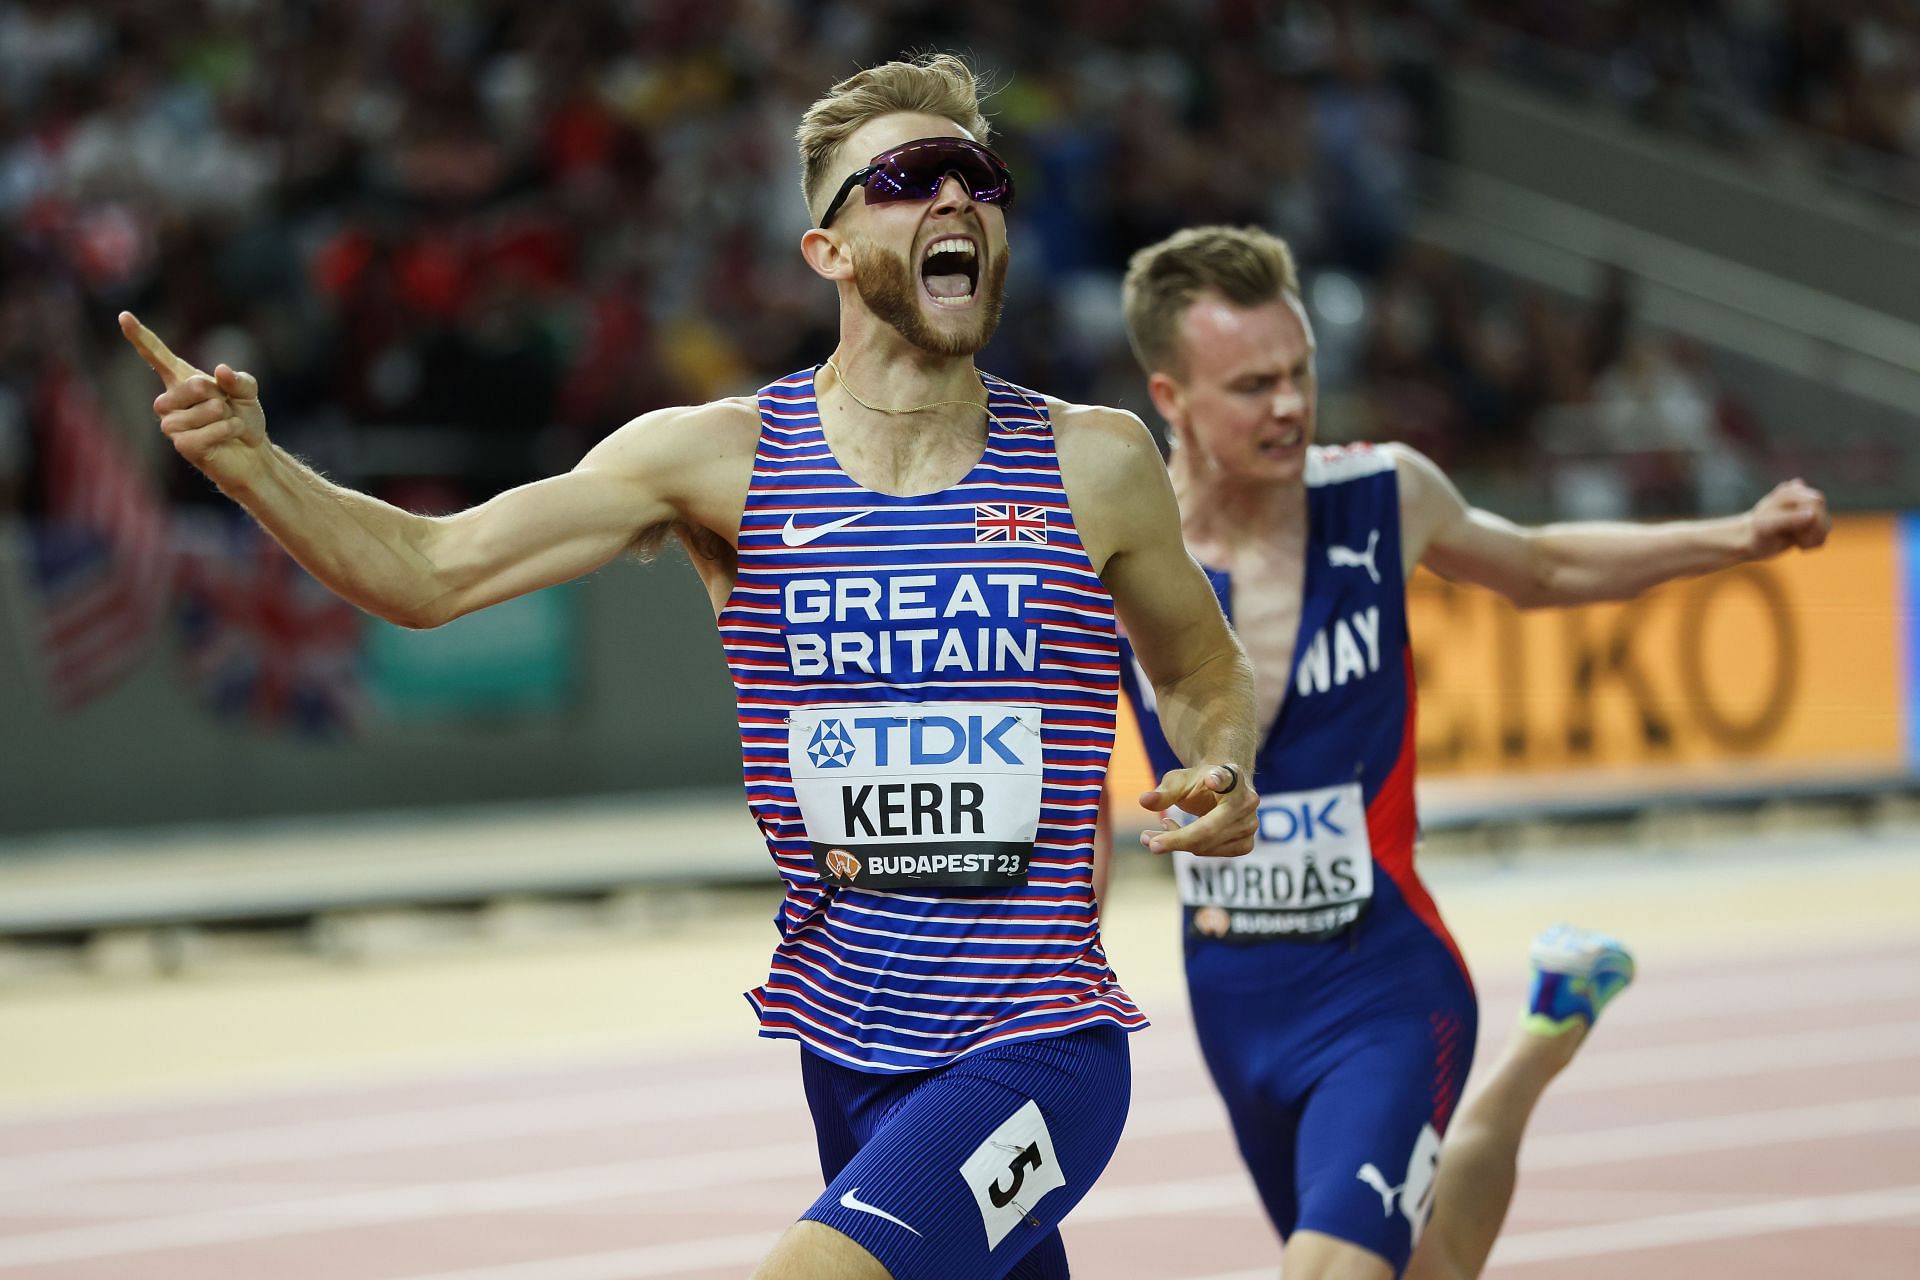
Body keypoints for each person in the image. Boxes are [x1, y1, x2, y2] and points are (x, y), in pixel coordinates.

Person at [121, 55, 1260, 1280]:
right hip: (846, 1044)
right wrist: (257, 468)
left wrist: (1223, 761)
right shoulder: (716, 459)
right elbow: (431, 572)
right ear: (824, 250)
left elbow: (1200, 666)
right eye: (908, 178)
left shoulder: (1093, 461)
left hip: (1043, 1043)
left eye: (978, 178)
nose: (956, 201)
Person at [1104, 224, 1830, 1280]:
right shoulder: (1120, 546)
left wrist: (1735, 536)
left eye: (1301, 371)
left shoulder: (1381, 493)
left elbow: (1538, 562)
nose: (1292, 406)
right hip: (1234, 994)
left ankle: (1519, 1036)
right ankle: (1550, 1031)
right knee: (1430, 1267)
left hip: (1386, 979)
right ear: (1169, 399)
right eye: (1253, 385)